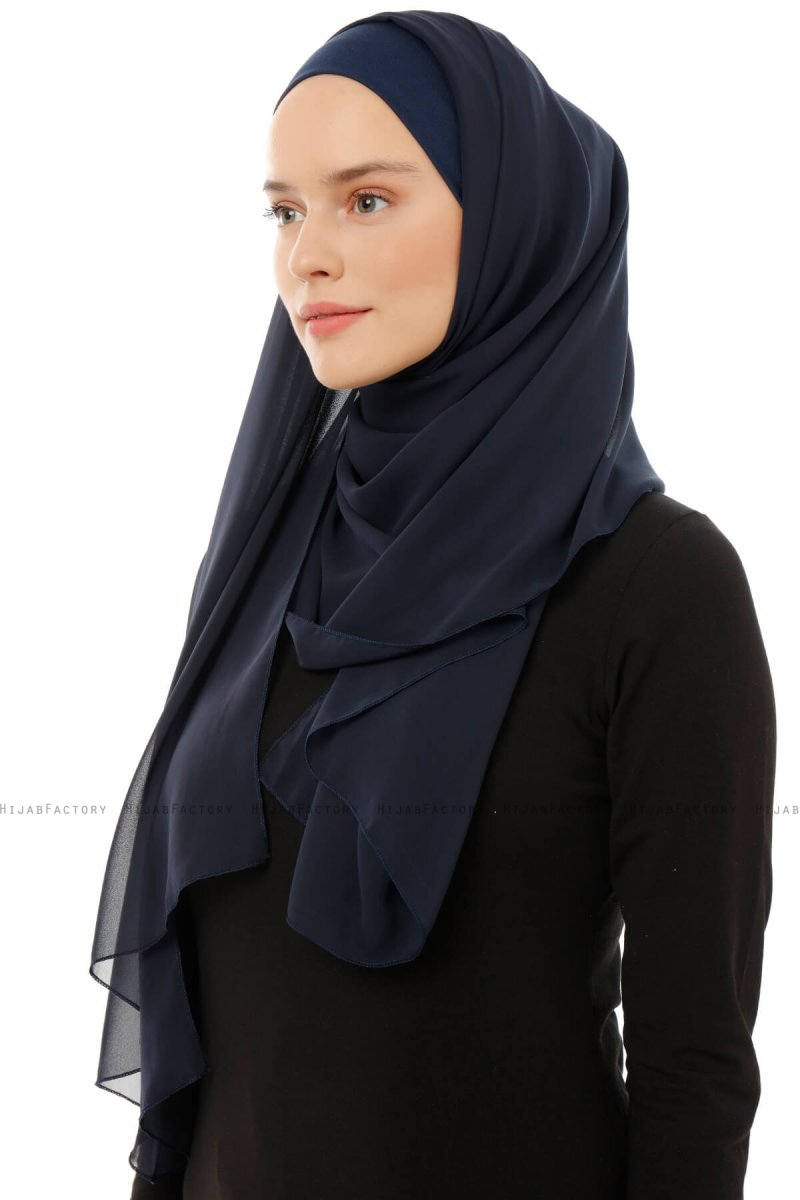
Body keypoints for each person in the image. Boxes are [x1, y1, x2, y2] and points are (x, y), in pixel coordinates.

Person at [89, 12, 776, 1200]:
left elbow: (693, 1072)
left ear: (511, 218)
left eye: (364, 200)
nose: (305, 258)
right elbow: (209, 1022)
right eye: (284, 211)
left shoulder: (656, 584)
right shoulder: (269, 555)